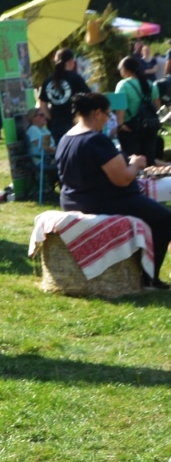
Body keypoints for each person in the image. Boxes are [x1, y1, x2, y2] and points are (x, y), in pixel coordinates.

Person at [56, 93, 171, 287]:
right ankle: (149, 278)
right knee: (165, 219)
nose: (109, 119)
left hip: (72, 199)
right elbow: (123, 179)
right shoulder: (95, 140)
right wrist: (136, 164)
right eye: (108, 114)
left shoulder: (66, 138)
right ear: (98, 113)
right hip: (101, 201)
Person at [113, 56, 161, 162]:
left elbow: (119, 108)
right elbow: (157, 106)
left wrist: (120, 124)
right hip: (150, 126)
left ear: (125, 70)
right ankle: (150, 178)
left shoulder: (122, 85)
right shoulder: (151, 84)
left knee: (133, 161)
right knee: (149, 160)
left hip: (130, 127)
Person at [39, 48, 89, 143]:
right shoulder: (76, 78)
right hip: (74, 124)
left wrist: (53, 119)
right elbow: (89, 98)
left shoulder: (47, 81)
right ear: (70, 61)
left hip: (56, 126)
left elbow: (43, 106)